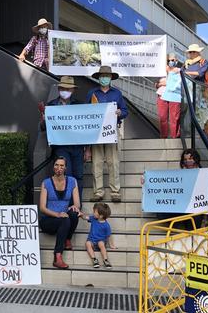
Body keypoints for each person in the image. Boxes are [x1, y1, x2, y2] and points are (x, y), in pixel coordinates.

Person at [85, 66, 128, 203]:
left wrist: (120, 113)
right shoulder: (91, 93)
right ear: (99, 78)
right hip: (96, 131)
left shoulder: (117, 93)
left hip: (111, 131)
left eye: (107, 76)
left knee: (113, 161)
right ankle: (98, 191)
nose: (104, 78)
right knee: (96, 162)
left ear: (110, 78)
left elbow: (125, 110)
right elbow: (85, 112)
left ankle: (115, 191)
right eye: (102, 76)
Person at [42, 76, 86, 201]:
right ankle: (67, 204)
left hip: (77, 146)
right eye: (63, 88)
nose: (65, 90)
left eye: (68, 89)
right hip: (61, 146)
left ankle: (77, 205)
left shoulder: (80, 105)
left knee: (78, 175)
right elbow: (43, 127)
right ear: (59, 89)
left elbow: (87, 128)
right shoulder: (51, 105)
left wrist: (87, 149)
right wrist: (44, 120)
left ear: (73, 90)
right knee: (66, 174)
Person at [38, 157, 81, 269]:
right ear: (53, 167)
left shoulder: (72, 181)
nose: (59, 168)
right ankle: (57, 257)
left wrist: (74, 207)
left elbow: (77, 204)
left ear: (65, 167)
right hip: (48, 220)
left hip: (63, 219)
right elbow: (42, 208)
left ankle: (67, 238)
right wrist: (57, 214)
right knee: (64, 219)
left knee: (73, 213)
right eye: (56, 165)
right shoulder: (46, 183)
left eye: (62, 165)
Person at [79, 202, 116, 269]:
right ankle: (94, 259)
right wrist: (81, 215)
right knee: (87, 243)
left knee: (101, 243)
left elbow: (109, 235)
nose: (93, 213)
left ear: (101, 215)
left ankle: (105, 260)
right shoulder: (93, 218)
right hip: (92, 241)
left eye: (95, 212)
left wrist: (111, 245)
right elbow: (86, 217)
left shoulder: (106, 225)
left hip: (100, 241)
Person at [156, 53, 183, 138]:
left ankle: (174, 137)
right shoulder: (162, 71)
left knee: (174, 118)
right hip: (161, 95)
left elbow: (179, 83)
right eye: (168, 60)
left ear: (176, 61)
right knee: (162, 117)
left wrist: (166, 83)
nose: (170, 62)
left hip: (174, 96)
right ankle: (163, 137)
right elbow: (156, 84)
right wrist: (161, 84)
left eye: (172, 60)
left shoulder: (179, 71)